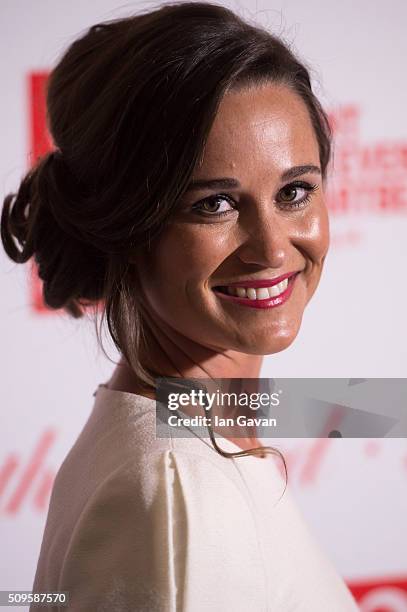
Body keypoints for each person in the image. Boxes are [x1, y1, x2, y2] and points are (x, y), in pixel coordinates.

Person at [1, 2, 359, 610]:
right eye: (214, 205)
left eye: (295, 191)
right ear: (130, 229)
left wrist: (376, 406)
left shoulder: (178, 421)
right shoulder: (178, 493)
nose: (273, 248)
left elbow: (329, 408)